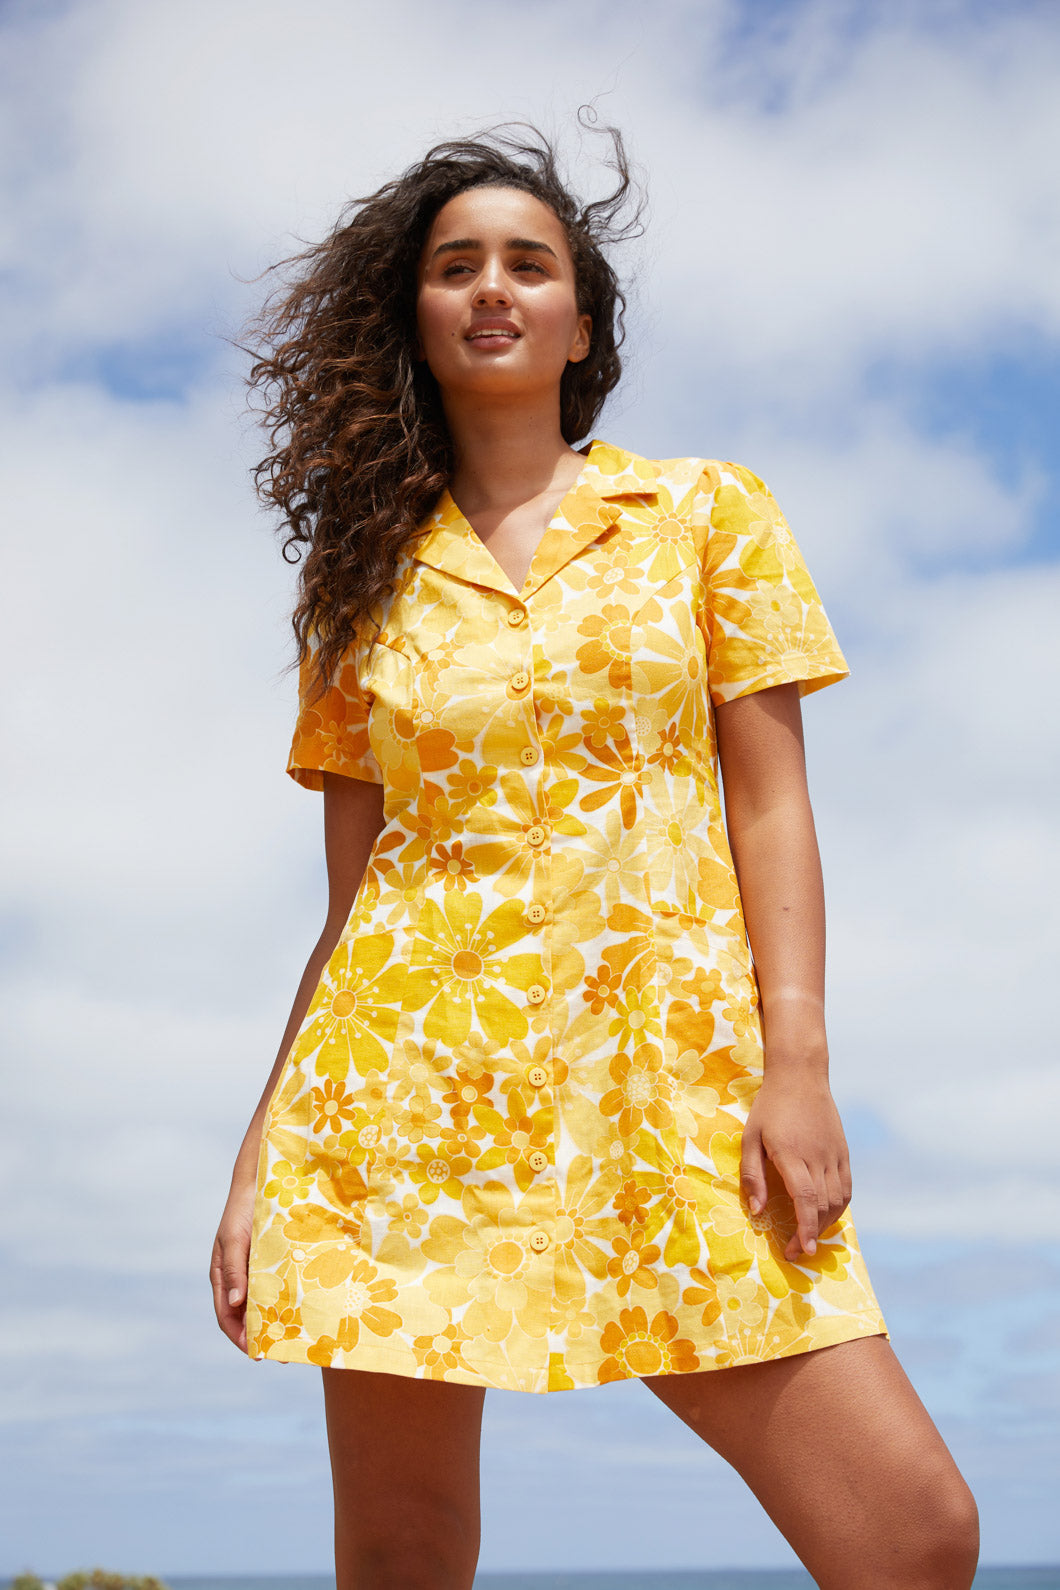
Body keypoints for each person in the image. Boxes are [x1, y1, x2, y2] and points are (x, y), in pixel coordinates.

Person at [210, 121, 979, 1590]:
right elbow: (353, 904)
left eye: (528, 262)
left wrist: (797, 1061)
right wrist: (261, 1160)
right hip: (401, 1107)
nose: (492, 287)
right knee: (403, 1549)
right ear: (416, 319)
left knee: (916, 1530)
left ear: (580, 317)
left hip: (671, 1086)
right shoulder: (359, 593)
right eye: (455, 267)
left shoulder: (705, 514)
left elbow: (770, 806)